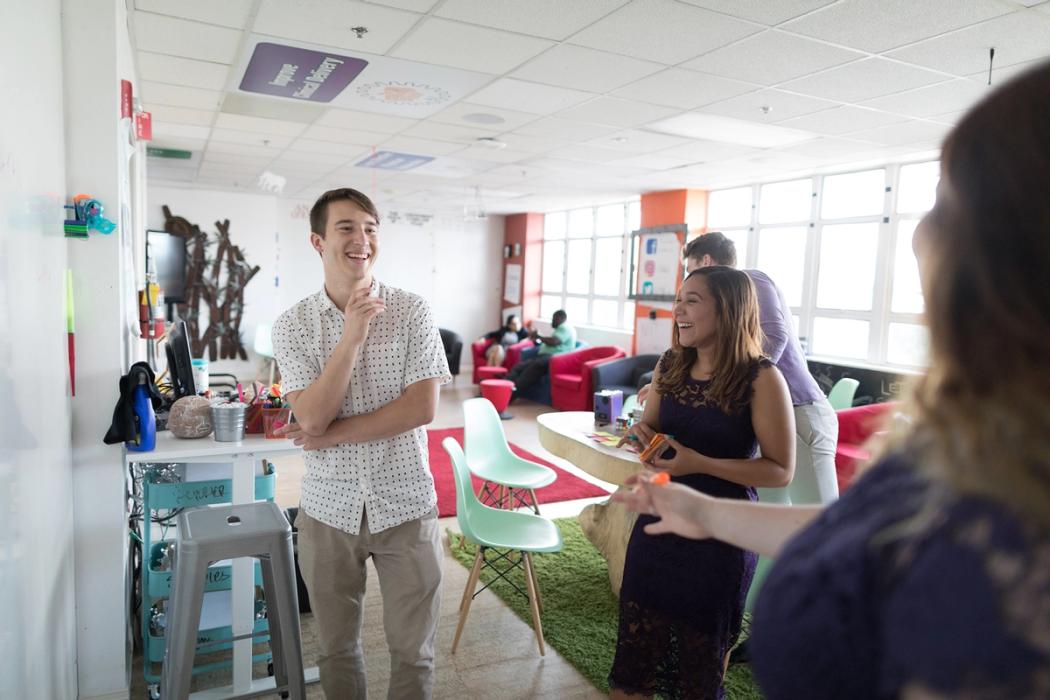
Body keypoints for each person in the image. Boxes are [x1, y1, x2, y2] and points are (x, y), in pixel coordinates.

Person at [613, 61, 1050, 699]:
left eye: (950, 200)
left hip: (796, 411)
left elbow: (778, 447)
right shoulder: (975, 434)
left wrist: (711, 463)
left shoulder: (755, 344)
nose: (922, 232)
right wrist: (702, 508)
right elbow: (863, 529)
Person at [271, 187, 451, 699]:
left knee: (415, 654)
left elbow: (422, 409)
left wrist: (324, 434)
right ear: (317, 241)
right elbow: (311, 412)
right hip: (328, 511)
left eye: (370, 228)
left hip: (407, 505)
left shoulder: (413, 310)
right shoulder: (293, 326)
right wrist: (351, 333)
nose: (362, 239)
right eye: (346, 227)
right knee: (335, 651)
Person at [608, 266, 795, 699]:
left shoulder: (762, 378)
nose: (678, 311)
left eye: (692, 300)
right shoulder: (669, 365)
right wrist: (643, 440)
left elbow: (779, 469)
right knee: (632, 670)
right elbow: (652, 431)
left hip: (721, 538)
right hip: (657, 529)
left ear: (727, 310)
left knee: (699, 675)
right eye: (678, 300)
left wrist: (700, 463)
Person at [643, 232, 839, 507]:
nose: (680, 308)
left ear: (707, 260)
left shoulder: (750, 281)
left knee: (820, 516)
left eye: (691, 269)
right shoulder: (678, 360)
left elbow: (775, 335)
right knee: (768, 515)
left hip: (800, 409)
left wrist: (730, 382)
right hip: (750, 412)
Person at [505, 309, 576, 395]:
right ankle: (502, 387)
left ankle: (509, 394)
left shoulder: (564, 327)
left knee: (529, 371)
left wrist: (538, 336)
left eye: (554, 318)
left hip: (552, 358)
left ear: (560, 318)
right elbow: (550, 341)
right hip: (543, 356)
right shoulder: (560, 329)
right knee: (518, 367)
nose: (552, 321)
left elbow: (554, 341)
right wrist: (538, 339)